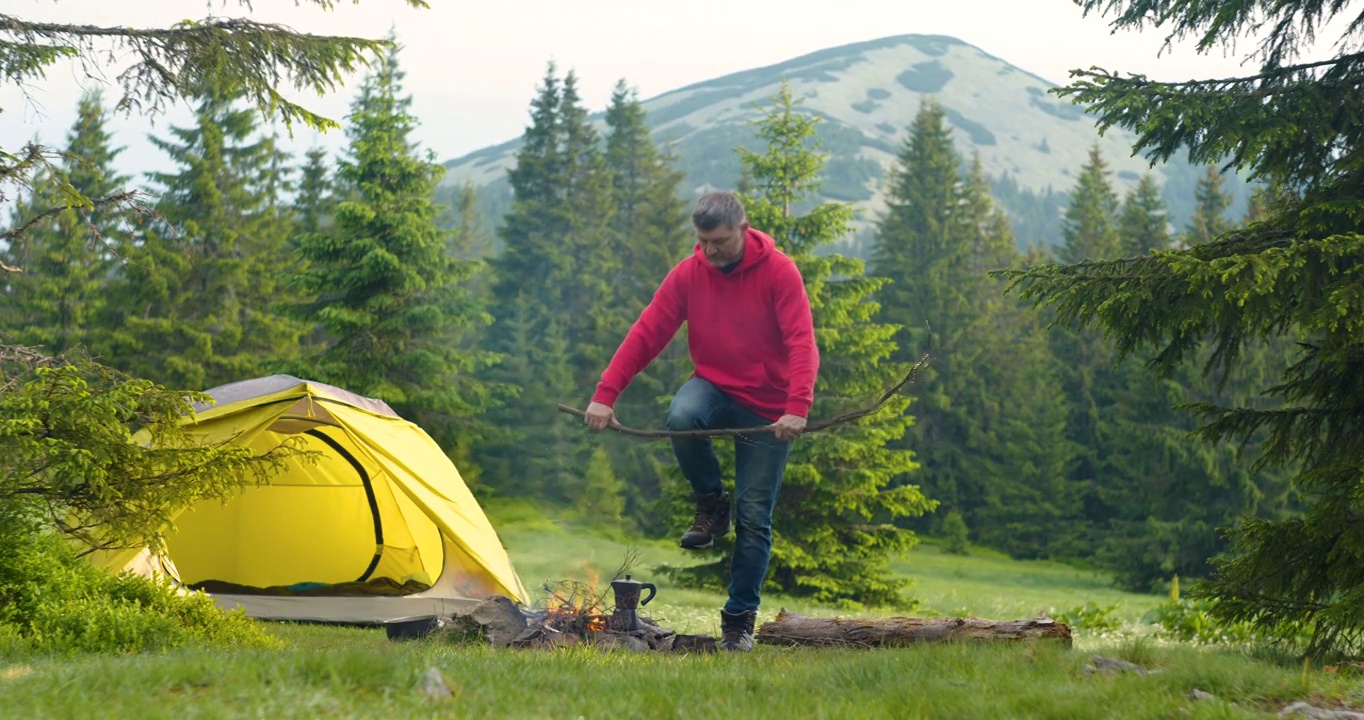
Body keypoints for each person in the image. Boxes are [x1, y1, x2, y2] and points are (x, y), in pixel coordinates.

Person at [582, 190, 819, 652]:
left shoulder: (779, 272)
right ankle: (711, 502)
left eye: (721, 241)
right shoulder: (689, 275)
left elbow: (801, 342)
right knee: (682, 414)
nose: (711, 250)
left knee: (755, 519)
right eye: (703, 241)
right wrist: (605, 395)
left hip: (771, 406)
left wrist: (797, 407)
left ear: (744, 231)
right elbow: (646, 333)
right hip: (714, 387)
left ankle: (738, 623)